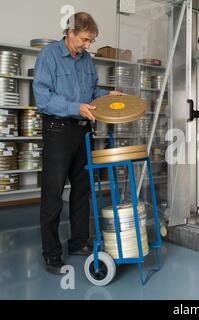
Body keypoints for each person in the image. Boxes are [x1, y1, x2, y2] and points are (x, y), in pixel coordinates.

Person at [33, 12, 124, 274]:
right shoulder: (48, 56)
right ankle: (51, 254)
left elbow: (92, 91)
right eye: (85, 39)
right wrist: (76, 107)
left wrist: (106, 96)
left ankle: (78, 242)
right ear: (70, 33)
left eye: (91, 40)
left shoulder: (87, 60)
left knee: (82, 190)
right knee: (53, 194)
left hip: (84, 130)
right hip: (58, 130)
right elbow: (43, 98)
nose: (87, 45)